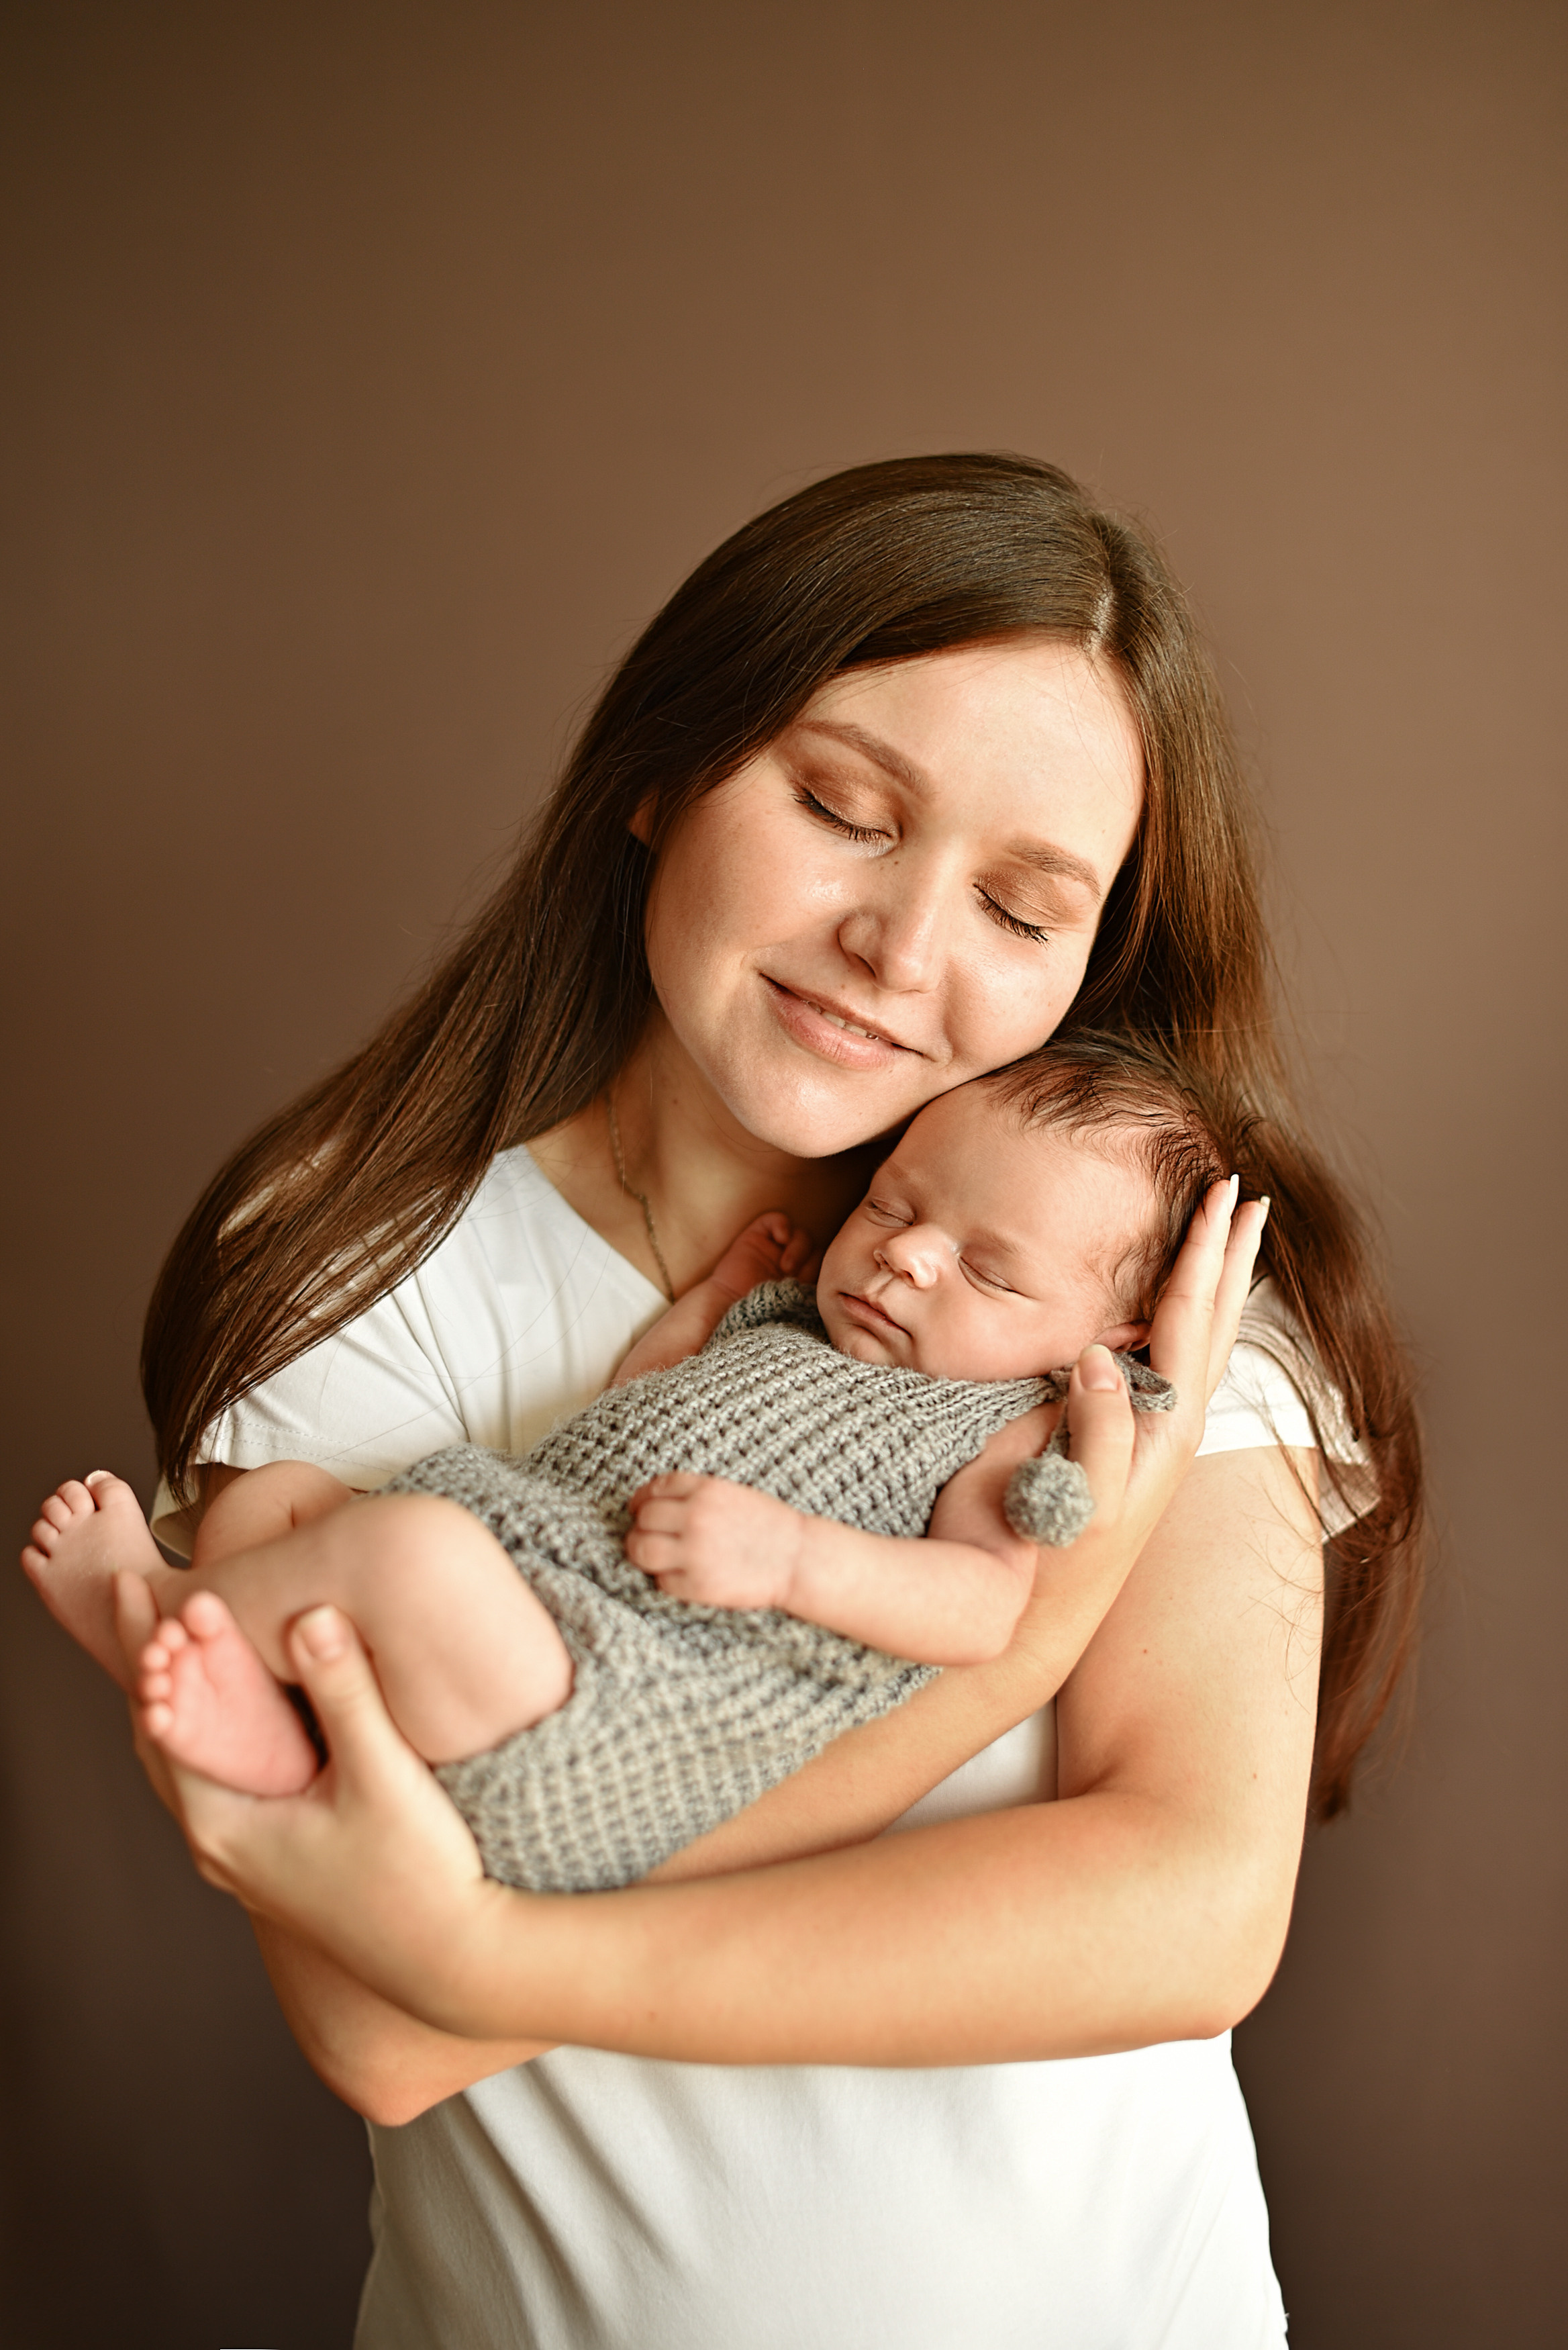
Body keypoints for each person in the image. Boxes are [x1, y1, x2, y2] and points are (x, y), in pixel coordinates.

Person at [99, 455, 1422, 2347]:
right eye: (839, 807)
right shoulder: (364, 1271)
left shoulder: (1138, 1288)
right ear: (662, 770)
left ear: (1090, 958)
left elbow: (1193, 1909)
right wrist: (1031, 1633)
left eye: (1022, 905)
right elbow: (383, 2027)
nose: (903, 946)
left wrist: (489, 1941)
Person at [26, 1041, 1226, 1897]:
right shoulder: (790, 1324)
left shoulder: (1003, 1429)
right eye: (895, 1202)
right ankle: (279, 1736)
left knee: (410, 1554)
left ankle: (142, 1618)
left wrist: (792, 1558)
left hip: (605, 1700)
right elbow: (636, 1408)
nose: (907, 1256)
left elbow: (981, 1607)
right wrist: (709, 1302)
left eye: (990, 1271)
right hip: (535, 1560)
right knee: (289, 1497)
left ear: (1102, 1348)